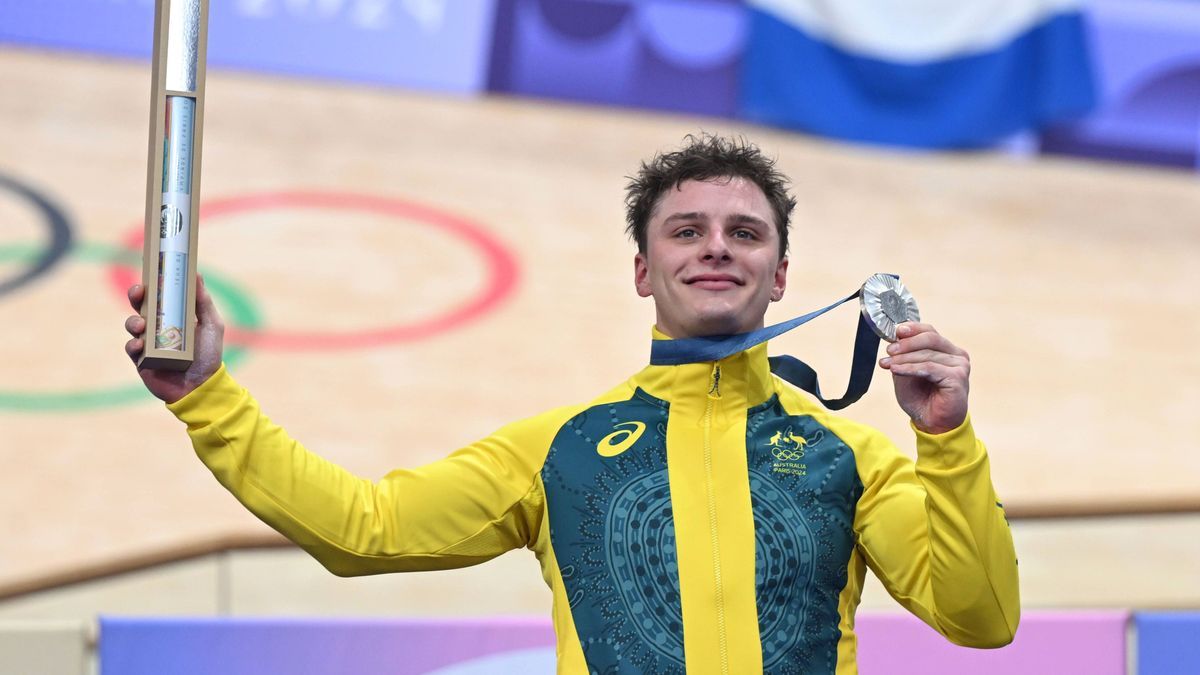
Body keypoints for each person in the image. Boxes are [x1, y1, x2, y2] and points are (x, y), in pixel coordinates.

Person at [124, 134, 1019, 674]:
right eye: (686, 230)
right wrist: (209, 399)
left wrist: (946, 439)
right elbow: (365, 528)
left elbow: (981, 618)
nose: (717, 249)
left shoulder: (852, 457)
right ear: (642, 269)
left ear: (780, 274)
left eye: (744, 233)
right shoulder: (557, 449)